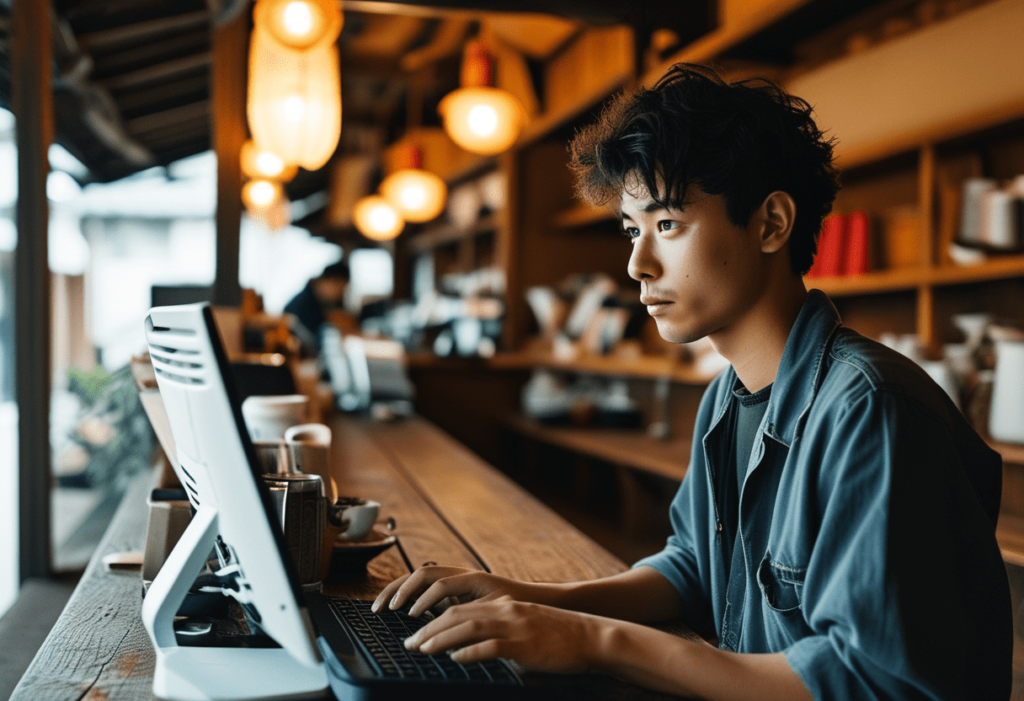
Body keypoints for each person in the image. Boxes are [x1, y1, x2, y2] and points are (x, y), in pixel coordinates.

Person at [372, 64, 1013, 700]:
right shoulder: (725, 397)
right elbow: (694, 570)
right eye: (632, 230)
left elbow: (863, 679)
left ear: (771, 224)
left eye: (668, 225)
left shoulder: (869, 408)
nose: (637, 264)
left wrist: (595, 640)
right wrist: (532, 598)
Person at [283, 259, 356, 354]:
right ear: (331, 281)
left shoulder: (320, 301)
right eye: (341, 288)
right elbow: (313, 343)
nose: (340, 294)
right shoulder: (302, 304)